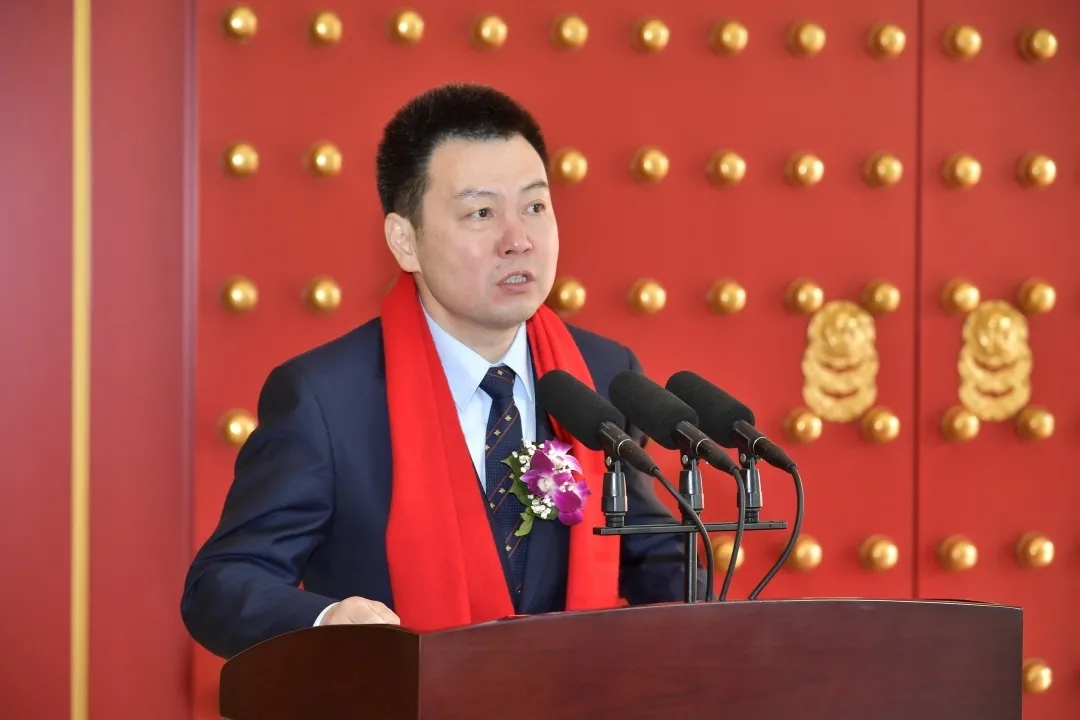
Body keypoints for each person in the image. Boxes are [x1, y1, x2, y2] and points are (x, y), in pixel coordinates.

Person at [180, 82, 697, 660]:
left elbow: (650, 557)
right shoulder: (327, 400)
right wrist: (327, 619)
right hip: (398, 694)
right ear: (405, 241)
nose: (518, 240)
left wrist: (718, 621)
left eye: (535, 207)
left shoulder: (601, 375)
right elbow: (221, 584)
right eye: (481, 213)